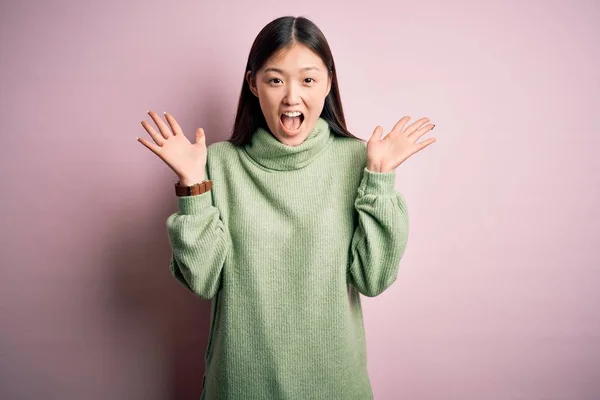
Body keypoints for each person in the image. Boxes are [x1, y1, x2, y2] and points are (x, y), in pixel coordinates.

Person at [137, 15, 436, 400]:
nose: (292, 97)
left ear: (329, 82)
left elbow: (373, 279)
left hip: (334, 386)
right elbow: (202, 280)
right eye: (275, 79)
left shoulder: (357, 160)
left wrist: (379, 177)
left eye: (308, 79)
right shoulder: (218, 163)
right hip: (239, 387)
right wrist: (193, 185)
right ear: (252, 83)